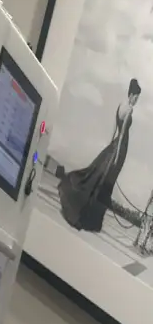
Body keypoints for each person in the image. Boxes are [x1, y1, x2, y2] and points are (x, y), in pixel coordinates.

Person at [58, 78, 141, 232]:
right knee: (105, 183)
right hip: (120, 148)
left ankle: (87, 215)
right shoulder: (129, 109)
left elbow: (114, 130)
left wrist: (109, 147)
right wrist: (116, 157)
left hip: (113, 146)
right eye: (136, 97)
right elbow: (123, 134)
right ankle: (90, 219)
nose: (136, 101)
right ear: (131, 95)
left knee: (97, 177)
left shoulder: (120, 106)